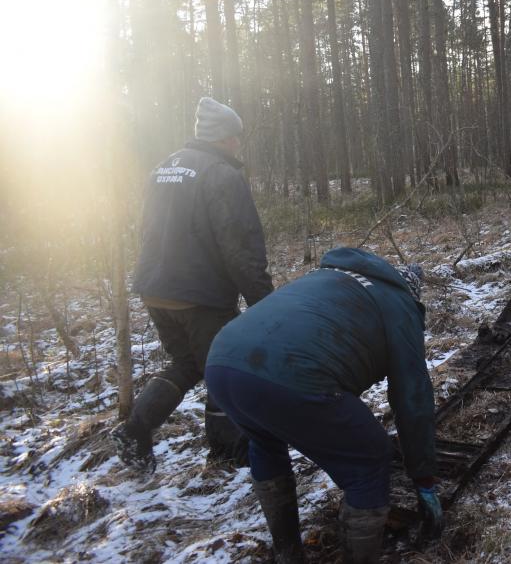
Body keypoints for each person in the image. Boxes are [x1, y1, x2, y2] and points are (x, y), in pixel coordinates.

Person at [204, 247, 441, 564]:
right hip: (290, 374)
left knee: (265, 440)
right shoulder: (400, 305)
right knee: (370, 459)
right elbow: (413, 398)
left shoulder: (327, 276)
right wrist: (424, 482)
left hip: (221, 362)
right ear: (410, 291)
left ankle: (289, 554)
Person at [111, 97, 272, 472]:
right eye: (235, 137)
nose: (238, 144)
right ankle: (227, 453)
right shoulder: (221, 174)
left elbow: (146, 228)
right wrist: (264, 304)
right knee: (223, 364)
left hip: (155, 288)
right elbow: (241, 247)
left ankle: (135, 428)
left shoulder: (164, 167)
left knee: (186, 361)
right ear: (223, 137)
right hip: (199, 296)